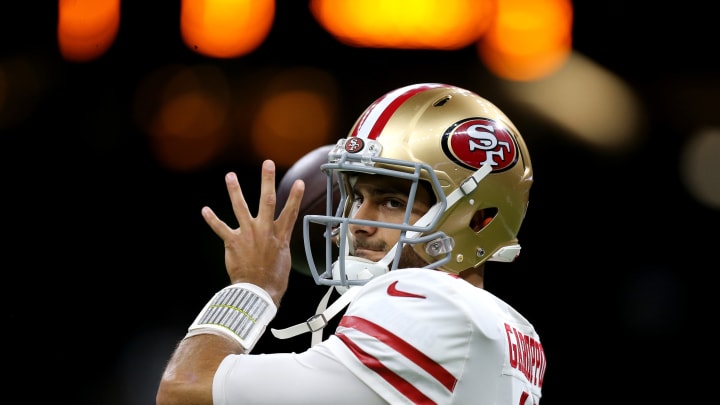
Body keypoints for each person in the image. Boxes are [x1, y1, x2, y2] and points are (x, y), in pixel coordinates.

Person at [156, 83, 546, 405]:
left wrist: (252, 286)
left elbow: (184, 389)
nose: (358, 224)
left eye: (393, 201)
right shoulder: (517, 332)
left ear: (477, 218)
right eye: (357, 198)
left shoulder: (428, 302)